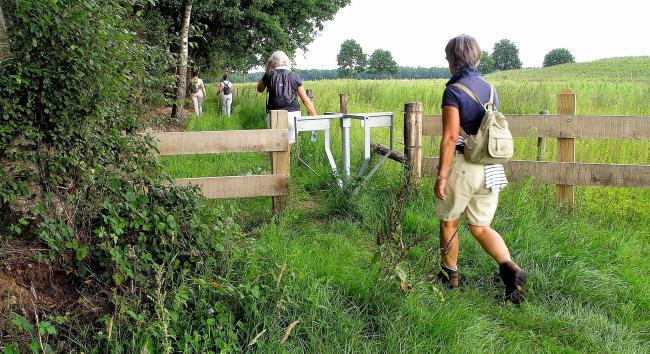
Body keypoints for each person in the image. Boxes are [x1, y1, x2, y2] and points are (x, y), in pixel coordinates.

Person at [435, 34, 528, 304]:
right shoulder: (490, 89)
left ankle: (449, 276)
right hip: (491, 167)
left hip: (464, 166)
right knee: (481, 226)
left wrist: (441, 175)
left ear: (453, 60)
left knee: (449, 221)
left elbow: (451, 137)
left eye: (447, 57)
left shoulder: (453, 91)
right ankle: (510, 268)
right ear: (477, 57)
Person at [256, 50, 316, 144]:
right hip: (292, 116)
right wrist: (314, 119)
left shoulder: (269, 75)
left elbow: (259, 89)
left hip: (274, 116)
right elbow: (305, 100)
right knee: (287, 149)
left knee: (274, 148)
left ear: (272, 62)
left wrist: (268, 70)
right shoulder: (295, 76)